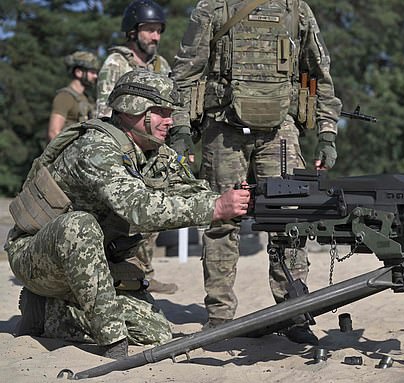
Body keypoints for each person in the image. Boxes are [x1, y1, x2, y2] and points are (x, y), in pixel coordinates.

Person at [5, 70, 251, 359]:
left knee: (154, 332)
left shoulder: (156, 153)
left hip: (95, 264)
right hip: (37, 257)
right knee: (79, 225)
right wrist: (215, 208)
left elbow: (190, 191)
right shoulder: (95, 148)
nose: (170, 120)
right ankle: (113, 344)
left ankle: (47, 313)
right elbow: (138, 208)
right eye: (160, 111)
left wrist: (241, 201)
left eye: (170, 112)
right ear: (133, 109)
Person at [170, 0, 341, 345]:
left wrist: (327, 133)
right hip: (223, 128)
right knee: (221, 221)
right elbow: (186, 71)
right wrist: (181, 130)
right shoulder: (213, 8)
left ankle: (294, 311)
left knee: (290, 222)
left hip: (280, 131)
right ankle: (219, 316)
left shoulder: (296, 10)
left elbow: (320, 74)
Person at [96, 0, 176, 294]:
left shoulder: (161, 65)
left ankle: (144, 273)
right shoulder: (115, 64)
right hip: (122, 151)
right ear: (132, 32)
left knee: (152, 217)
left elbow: (170, 108)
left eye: (158, 31)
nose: (155, 37)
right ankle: (117, 273)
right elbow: (102, 113)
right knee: (121, 219)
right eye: (149, 30)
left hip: (153, 150)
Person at [47, 51, 100, 141]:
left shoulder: (87, 99)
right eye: (92, 72)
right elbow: (53, 132)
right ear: (78, 72)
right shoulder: (65, 97)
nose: (95, 76)